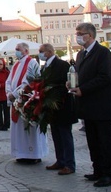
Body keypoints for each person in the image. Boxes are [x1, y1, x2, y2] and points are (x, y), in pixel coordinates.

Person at [69, 23, 111, 187]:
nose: (77, 36)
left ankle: (109, 174)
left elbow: (105, 77)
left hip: (102, 105)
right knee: (93, 141)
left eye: (80, 33)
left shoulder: (103, 53)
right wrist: (72, 84)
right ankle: (97, 169)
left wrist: (83, 89)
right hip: (87, 106)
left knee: (106, 141)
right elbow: (79, 74)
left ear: (89, 35)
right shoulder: (81, 54)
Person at [5, 42, 47, 164]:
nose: (16, 51)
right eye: (16, 49)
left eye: (18, 49)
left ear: (26, 51)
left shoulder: (32, 62)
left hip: (27, 100)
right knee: (18, 129)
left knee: (29, 127)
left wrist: (16, 94)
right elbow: (9, 80)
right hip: (15, 101)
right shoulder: (16, 64)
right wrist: (9, 93)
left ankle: (33, 154)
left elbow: (28, 82)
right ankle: (21, 153)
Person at [39, 44, 77, 176]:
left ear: (49, 52)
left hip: (62, 106)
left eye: (41, 52)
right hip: (51, 108)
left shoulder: (62, 65)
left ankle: (69, 164)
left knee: (65, 136)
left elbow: (66, 85)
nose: (40, 54)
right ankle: (60, 160)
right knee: (56, 135)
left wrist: (51, 92)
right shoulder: (45, 67)